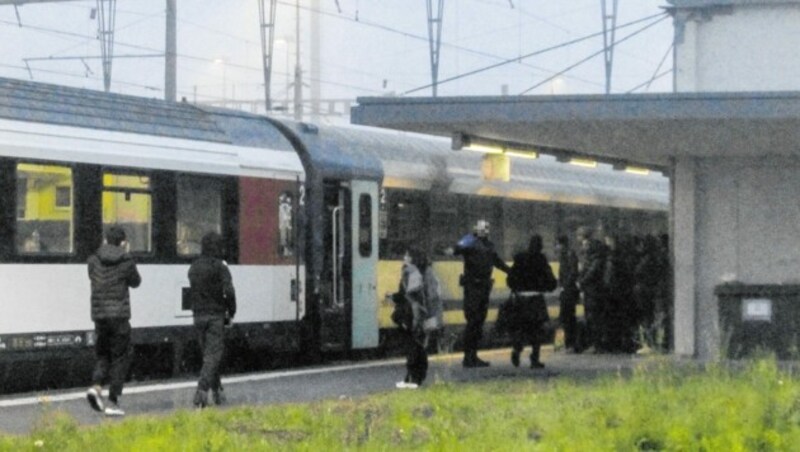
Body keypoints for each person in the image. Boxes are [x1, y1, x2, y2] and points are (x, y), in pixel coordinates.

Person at [86, 226, 141, 417]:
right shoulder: (126, 260)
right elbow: (136, 282)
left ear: (105, 240)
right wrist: (127, 254)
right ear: (123, 241)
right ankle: (113, 401)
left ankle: (96, 385)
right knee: (120, 357)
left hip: (100, 316)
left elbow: (92, 277)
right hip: (119, 316)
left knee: (103, 354)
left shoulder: (93, 259)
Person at [188, 232, 236, 408]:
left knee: (208, 356)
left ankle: (218, 392)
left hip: (198, 316)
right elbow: (229, 291)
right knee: (213, 355)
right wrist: (231, 312)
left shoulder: (193, 267)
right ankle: (201, 393)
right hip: (215, 315)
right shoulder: (220, 267)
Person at [454, 220, 511, 367]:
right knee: (473, 321)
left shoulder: (488, 246)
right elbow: (456, 249)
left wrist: (511, 271)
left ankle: (473, 356)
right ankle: (468, 357)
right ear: (476, 230)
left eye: (485, 229)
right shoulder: (470, 242)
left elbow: (497, 262)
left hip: (483, 288)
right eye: (480, 229)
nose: (483, 231)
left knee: (478, 322)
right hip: (473, 287)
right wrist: (468, 238)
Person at [507, 235, 558, 369]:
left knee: (522, 329)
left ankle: (516, 351)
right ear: (540, 246)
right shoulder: (541, 259)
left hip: (521, 299)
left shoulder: (519, 258)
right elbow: (550, 280)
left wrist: (517, 288)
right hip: (535, 299)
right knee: (536, 331)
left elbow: (510, 279)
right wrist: (548, 287)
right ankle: (534, 359)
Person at [394, 247, 430, 389]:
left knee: (413, 346)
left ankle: (413, 379)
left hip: (412, 314)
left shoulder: (412, 272)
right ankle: (412, 378)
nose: (404, 257)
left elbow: (413, 296)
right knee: (417, 345)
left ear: (412, 258)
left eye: (407, 255)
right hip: (415, 313)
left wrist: (414, 319)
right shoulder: (419, 271)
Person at [555, 235, 579, 353]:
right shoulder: (565, 255)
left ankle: (570, 345)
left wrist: (564, 286)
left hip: (569, 291)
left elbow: (573, 273)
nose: (557, 247)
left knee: (568, 318)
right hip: (565, 291)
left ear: (563, 244)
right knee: (564, 317)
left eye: (558, 244)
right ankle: (563, 344)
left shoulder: (569, 255)